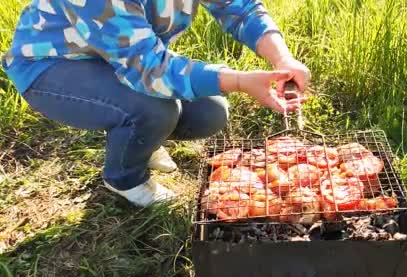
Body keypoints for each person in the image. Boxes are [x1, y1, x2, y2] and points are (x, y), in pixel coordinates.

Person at [1, 0, 310, 207]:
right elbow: (149, 70)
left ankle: (140, 136)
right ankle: (124, 179)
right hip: (51, 67)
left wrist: (282, 58)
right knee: (156, 110)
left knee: (209, 111)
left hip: (122, 60)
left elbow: (238, 8)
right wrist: (240, 80)